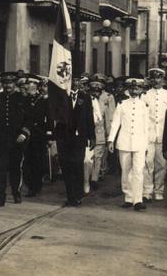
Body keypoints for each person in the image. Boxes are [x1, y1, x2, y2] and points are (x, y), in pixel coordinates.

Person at [0, 72, 29, 207]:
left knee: (15, 168)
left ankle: (16, 193)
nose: (7, 85)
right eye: (5, 83)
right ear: (1, 84)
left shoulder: (22, 98)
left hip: (17, 140)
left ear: (14, 84)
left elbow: (29, 119)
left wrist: (24, 133)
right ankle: (0, 198)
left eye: (10, 83)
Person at [108, 78, 150, 211]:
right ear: (128, 90)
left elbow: (146, 127)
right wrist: (111, 140)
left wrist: (147, 145)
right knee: (125, 170)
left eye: (137, 88)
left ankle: (138, 200)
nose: (134, 90)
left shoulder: (144, 105)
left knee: (138, 171)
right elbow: (115, 123)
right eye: (132, 88)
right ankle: (128, 197)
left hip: (140, 142)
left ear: (141, 90)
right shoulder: (122, 104)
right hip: (124, 141)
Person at [55, 76, 95, 206]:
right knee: (66, 167)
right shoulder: (61, 96)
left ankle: (78, 195)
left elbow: (89, 118)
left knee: (77, 166)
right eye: (72, 80)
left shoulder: (85, 97)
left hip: (79, 138)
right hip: (64, 138)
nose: (74, 83)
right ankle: (70, 196)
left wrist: (92, 137)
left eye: (77, 81)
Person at [142, 68, 167, 202]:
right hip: (148, 134)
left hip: (163, 134)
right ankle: (147, 191)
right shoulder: (144, 94)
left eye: (159, 78)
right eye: (153, 78)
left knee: (162, 164)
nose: (156, 80)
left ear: (163, 79)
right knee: (147, 163)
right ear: (150, 79)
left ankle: (159, 190)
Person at [22, 75, 50, 198]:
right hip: (26, 134)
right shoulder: (24, 99)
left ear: (35, 86)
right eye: (27, 84)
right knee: (27, 162)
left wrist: (49, 134)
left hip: (39, 134)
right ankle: (29, 184)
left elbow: (49, 118)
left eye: (30, 84)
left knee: (37, 161)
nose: (27, 86)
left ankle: (35, 186)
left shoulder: (43, 100)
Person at [87, 79, 110, 192]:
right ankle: (87, 178)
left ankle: (94, 179)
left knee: (98, 157)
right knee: (88, 158)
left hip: (99, 133)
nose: (95, 93)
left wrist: (108, 135)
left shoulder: (103, 103)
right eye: (93, 91)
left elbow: (108, 120)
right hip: (87, 133)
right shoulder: (86, 102)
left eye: (98, 91)